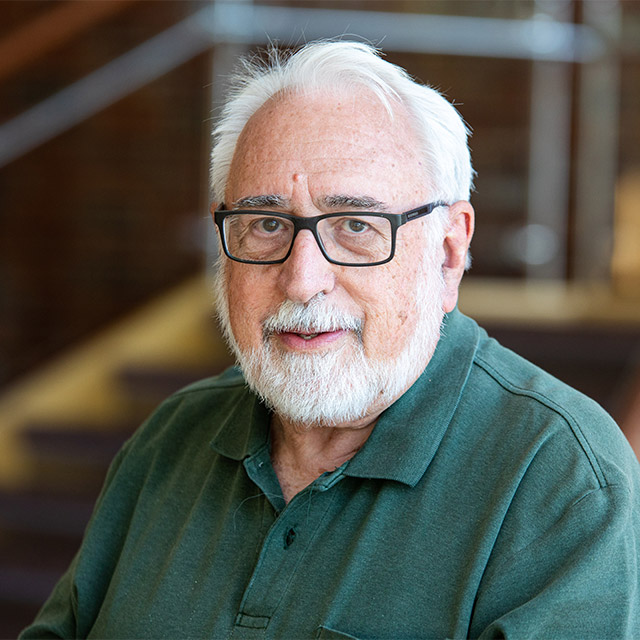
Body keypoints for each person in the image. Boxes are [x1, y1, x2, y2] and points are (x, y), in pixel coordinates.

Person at [21, 41, 640, 640]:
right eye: (265, 224)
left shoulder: (560, 478)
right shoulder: (169, 440)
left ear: (449, 252)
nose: (302, 279)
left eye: (355, 226)